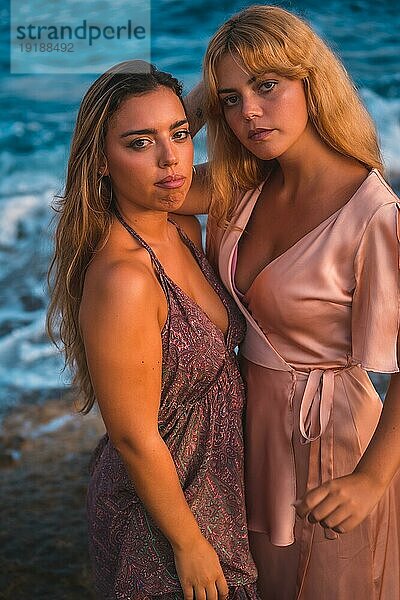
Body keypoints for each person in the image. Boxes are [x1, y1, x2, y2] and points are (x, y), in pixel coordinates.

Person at [180, 5, 400, 599]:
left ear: (312, 82)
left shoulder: (370, 210)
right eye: (230, 99)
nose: (248, 111)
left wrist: (372, 479)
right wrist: (214, 78)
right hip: (246, 431)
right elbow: (127, 172)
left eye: (268, 86)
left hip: (334, 445)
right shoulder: (242, 181)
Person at [46, 60, 259, 600]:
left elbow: (261, 167)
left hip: (211, 487)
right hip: (162, 519)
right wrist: (189, 544)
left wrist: (190, 102)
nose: (171, 160)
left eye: (180, 135)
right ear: (100, 160)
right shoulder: (125, 280)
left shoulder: (179, 223)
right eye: (140, 143)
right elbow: (133, 436)